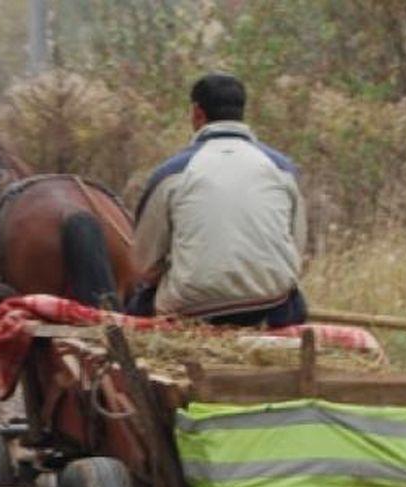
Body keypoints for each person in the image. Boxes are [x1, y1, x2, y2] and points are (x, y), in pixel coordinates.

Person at [128, 73, 308, 327]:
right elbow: (296, 249)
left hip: (193, 310)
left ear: (197, 113)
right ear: (241, 112)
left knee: (136, 303)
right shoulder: (282, 169)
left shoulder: (171, 174)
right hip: (271, 306)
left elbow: (144, 265)